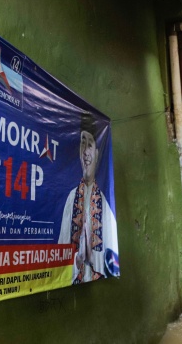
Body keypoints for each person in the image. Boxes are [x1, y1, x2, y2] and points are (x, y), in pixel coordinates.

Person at [58, 114, 119, 284]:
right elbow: (61, 253)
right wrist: (76, 262)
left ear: (97, 154)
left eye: (90, 144)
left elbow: (112, 257)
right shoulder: (71, 199)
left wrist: (92, 257)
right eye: (82, 144)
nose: (85, 152)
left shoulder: (106, 204)